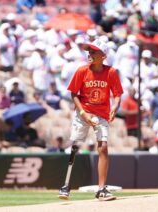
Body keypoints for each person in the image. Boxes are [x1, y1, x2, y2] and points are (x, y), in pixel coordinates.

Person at [58, 38, 123, 201]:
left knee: (103, 147)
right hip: (83, 112)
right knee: (74, 146)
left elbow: (117, 94)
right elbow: (74, 93)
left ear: (103, 56)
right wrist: (83, 112)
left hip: (102, 113)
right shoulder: (81, 71)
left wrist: (115, 106)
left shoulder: (111, 72)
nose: (90, 54)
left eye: (94, 52)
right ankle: (66, 185)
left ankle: (101, 189)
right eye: (89, 51)